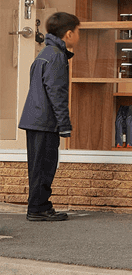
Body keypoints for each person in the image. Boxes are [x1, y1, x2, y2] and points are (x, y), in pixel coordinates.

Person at [18, 11, 79, 222]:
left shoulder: (45, 53)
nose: (79, 35)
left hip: (35, 118)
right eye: (78, 31)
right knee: (45, 165)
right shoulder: (56, 56)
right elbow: (57, 93)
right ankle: (39, 208)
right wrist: (64, 124)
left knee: (38, 165)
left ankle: (38, 206)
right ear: (69, 34)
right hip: (45, 121)